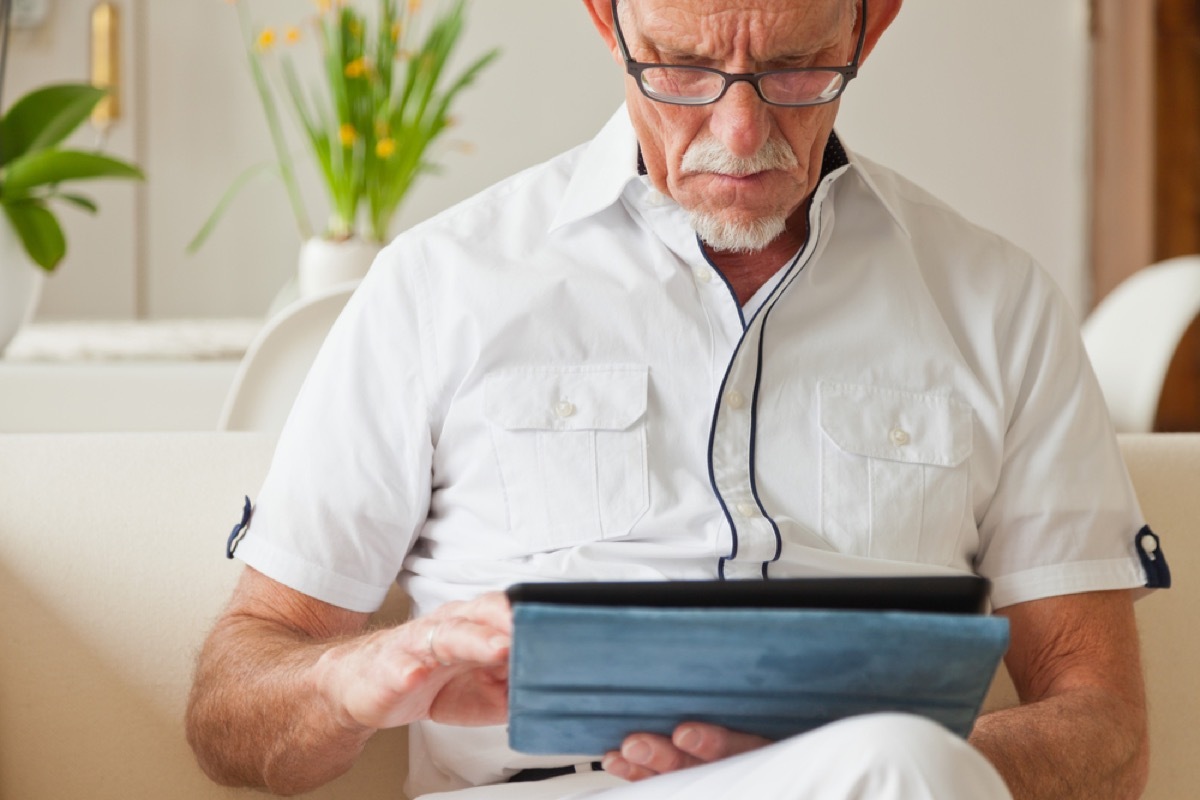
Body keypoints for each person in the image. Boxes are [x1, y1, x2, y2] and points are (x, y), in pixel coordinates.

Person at [186, 0, 1169, 798]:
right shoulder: (441, 283)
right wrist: (357, 678)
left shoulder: (997, 303)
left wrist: (896, 764)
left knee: (898, 762)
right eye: (682, 67)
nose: (739, 134)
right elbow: (232, 720)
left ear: (872, 26)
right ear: (605, 20)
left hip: (879, 788)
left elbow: (1108, 736)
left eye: (795, 67)